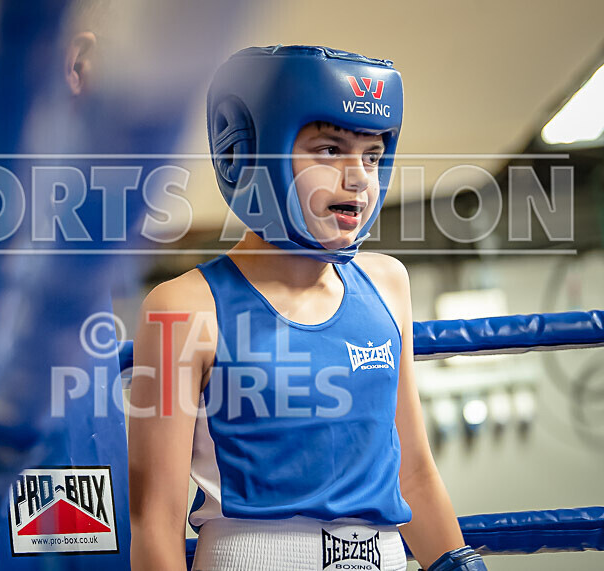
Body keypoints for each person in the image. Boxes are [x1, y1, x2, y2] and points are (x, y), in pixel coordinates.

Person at [128, 46, 487, 571]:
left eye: (371, 154)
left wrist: (458, 564)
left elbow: (412, 470)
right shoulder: (183, 307)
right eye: (330, 149)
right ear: (250, 153)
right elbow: (154, 520)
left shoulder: (388, 285)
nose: (359, 178)